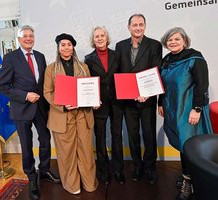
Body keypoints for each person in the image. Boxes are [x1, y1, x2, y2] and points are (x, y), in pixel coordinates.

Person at [0, 25, 60, 200]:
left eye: (31, 36)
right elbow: (3, 86)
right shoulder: (10, 58)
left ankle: (45, 170)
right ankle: (32, 177)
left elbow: (43, 83)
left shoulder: (40, 56)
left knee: (45, 140)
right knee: (26, 146)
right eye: (24, 36)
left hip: (41, 108)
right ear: (19, 39)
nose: (28, 39)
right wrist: (25, 95)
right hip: (21, 108)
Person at [158, 27, 213, 200]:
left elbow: (202, 85)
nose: (173, 42)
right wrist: (160, 103)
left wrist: (197, 109)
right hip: (173, 109)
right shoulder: (166, 60)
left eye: (177, 39)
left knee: (190, 146)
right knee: (182, 146)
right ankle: (186, 177)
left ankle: (190, 183)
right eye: (170, 40)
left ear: (185, 41)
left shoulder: (195, 58)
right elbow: (162, 84)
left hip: (189, 110)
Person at [44, 33, 98, 194]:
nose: (66, 47)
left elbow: (89, 89)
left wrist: (93, 100)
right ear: (58, 48)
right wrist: (62, 104)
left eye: (69, 44)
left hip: (82, 114)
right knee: (66, 153)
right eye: (63, 45)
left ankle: (89, 183)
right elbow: (47, 92)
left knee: (86, 151)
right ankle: (72, 185)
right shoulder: (51, 69)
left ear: (73, 47)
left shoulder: (83, 67)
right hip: (62, 116)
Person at [115, 14, 162, 184]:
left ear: (145, 26)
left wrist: (148, 92)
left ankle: (150, 168)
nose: (138, 27)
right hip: (128, 100)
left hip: (147, 99)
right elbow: (118, 72)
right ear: (129, 27)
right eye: (134, 25)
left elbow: (157, 70)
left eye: (141, 24)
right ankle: (137, 167)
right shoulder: (120, 46)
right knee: (132, 135)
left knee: (149, 135)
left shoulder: (155, 45)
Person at [84, 26, 125, 184]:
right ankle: (103, 171)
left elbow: (123, 76)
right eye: (96, 36)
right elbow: (87, 83)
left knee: (117, 137)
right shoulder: (88, 59)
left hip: (117, 102)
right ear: (93, 40)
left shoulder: (118, 55)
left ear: (107, 38)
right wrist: (92, 99)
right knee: (100, 139)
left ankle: (118, 170)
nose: (100, 38)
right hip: (98, 104)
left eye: (102, 35)